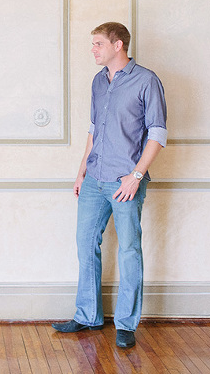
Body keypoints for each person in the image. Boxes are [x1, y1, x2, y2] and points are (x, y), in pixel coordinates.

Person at [52, 23, 167, 348]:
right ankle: (87, 315)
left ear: (118, 45)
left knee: (130, 249)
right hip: (94, 178)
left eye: (98, 44)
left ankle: (126, 324)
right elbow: (93, 129)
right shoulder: (98, 82)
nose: (93, 49)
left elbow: (157, 133)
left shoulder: (146, 80)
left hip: (125, 181)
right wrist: (81, 172)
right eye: (92, 44)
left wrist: (136, 176)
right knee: (86, 244)